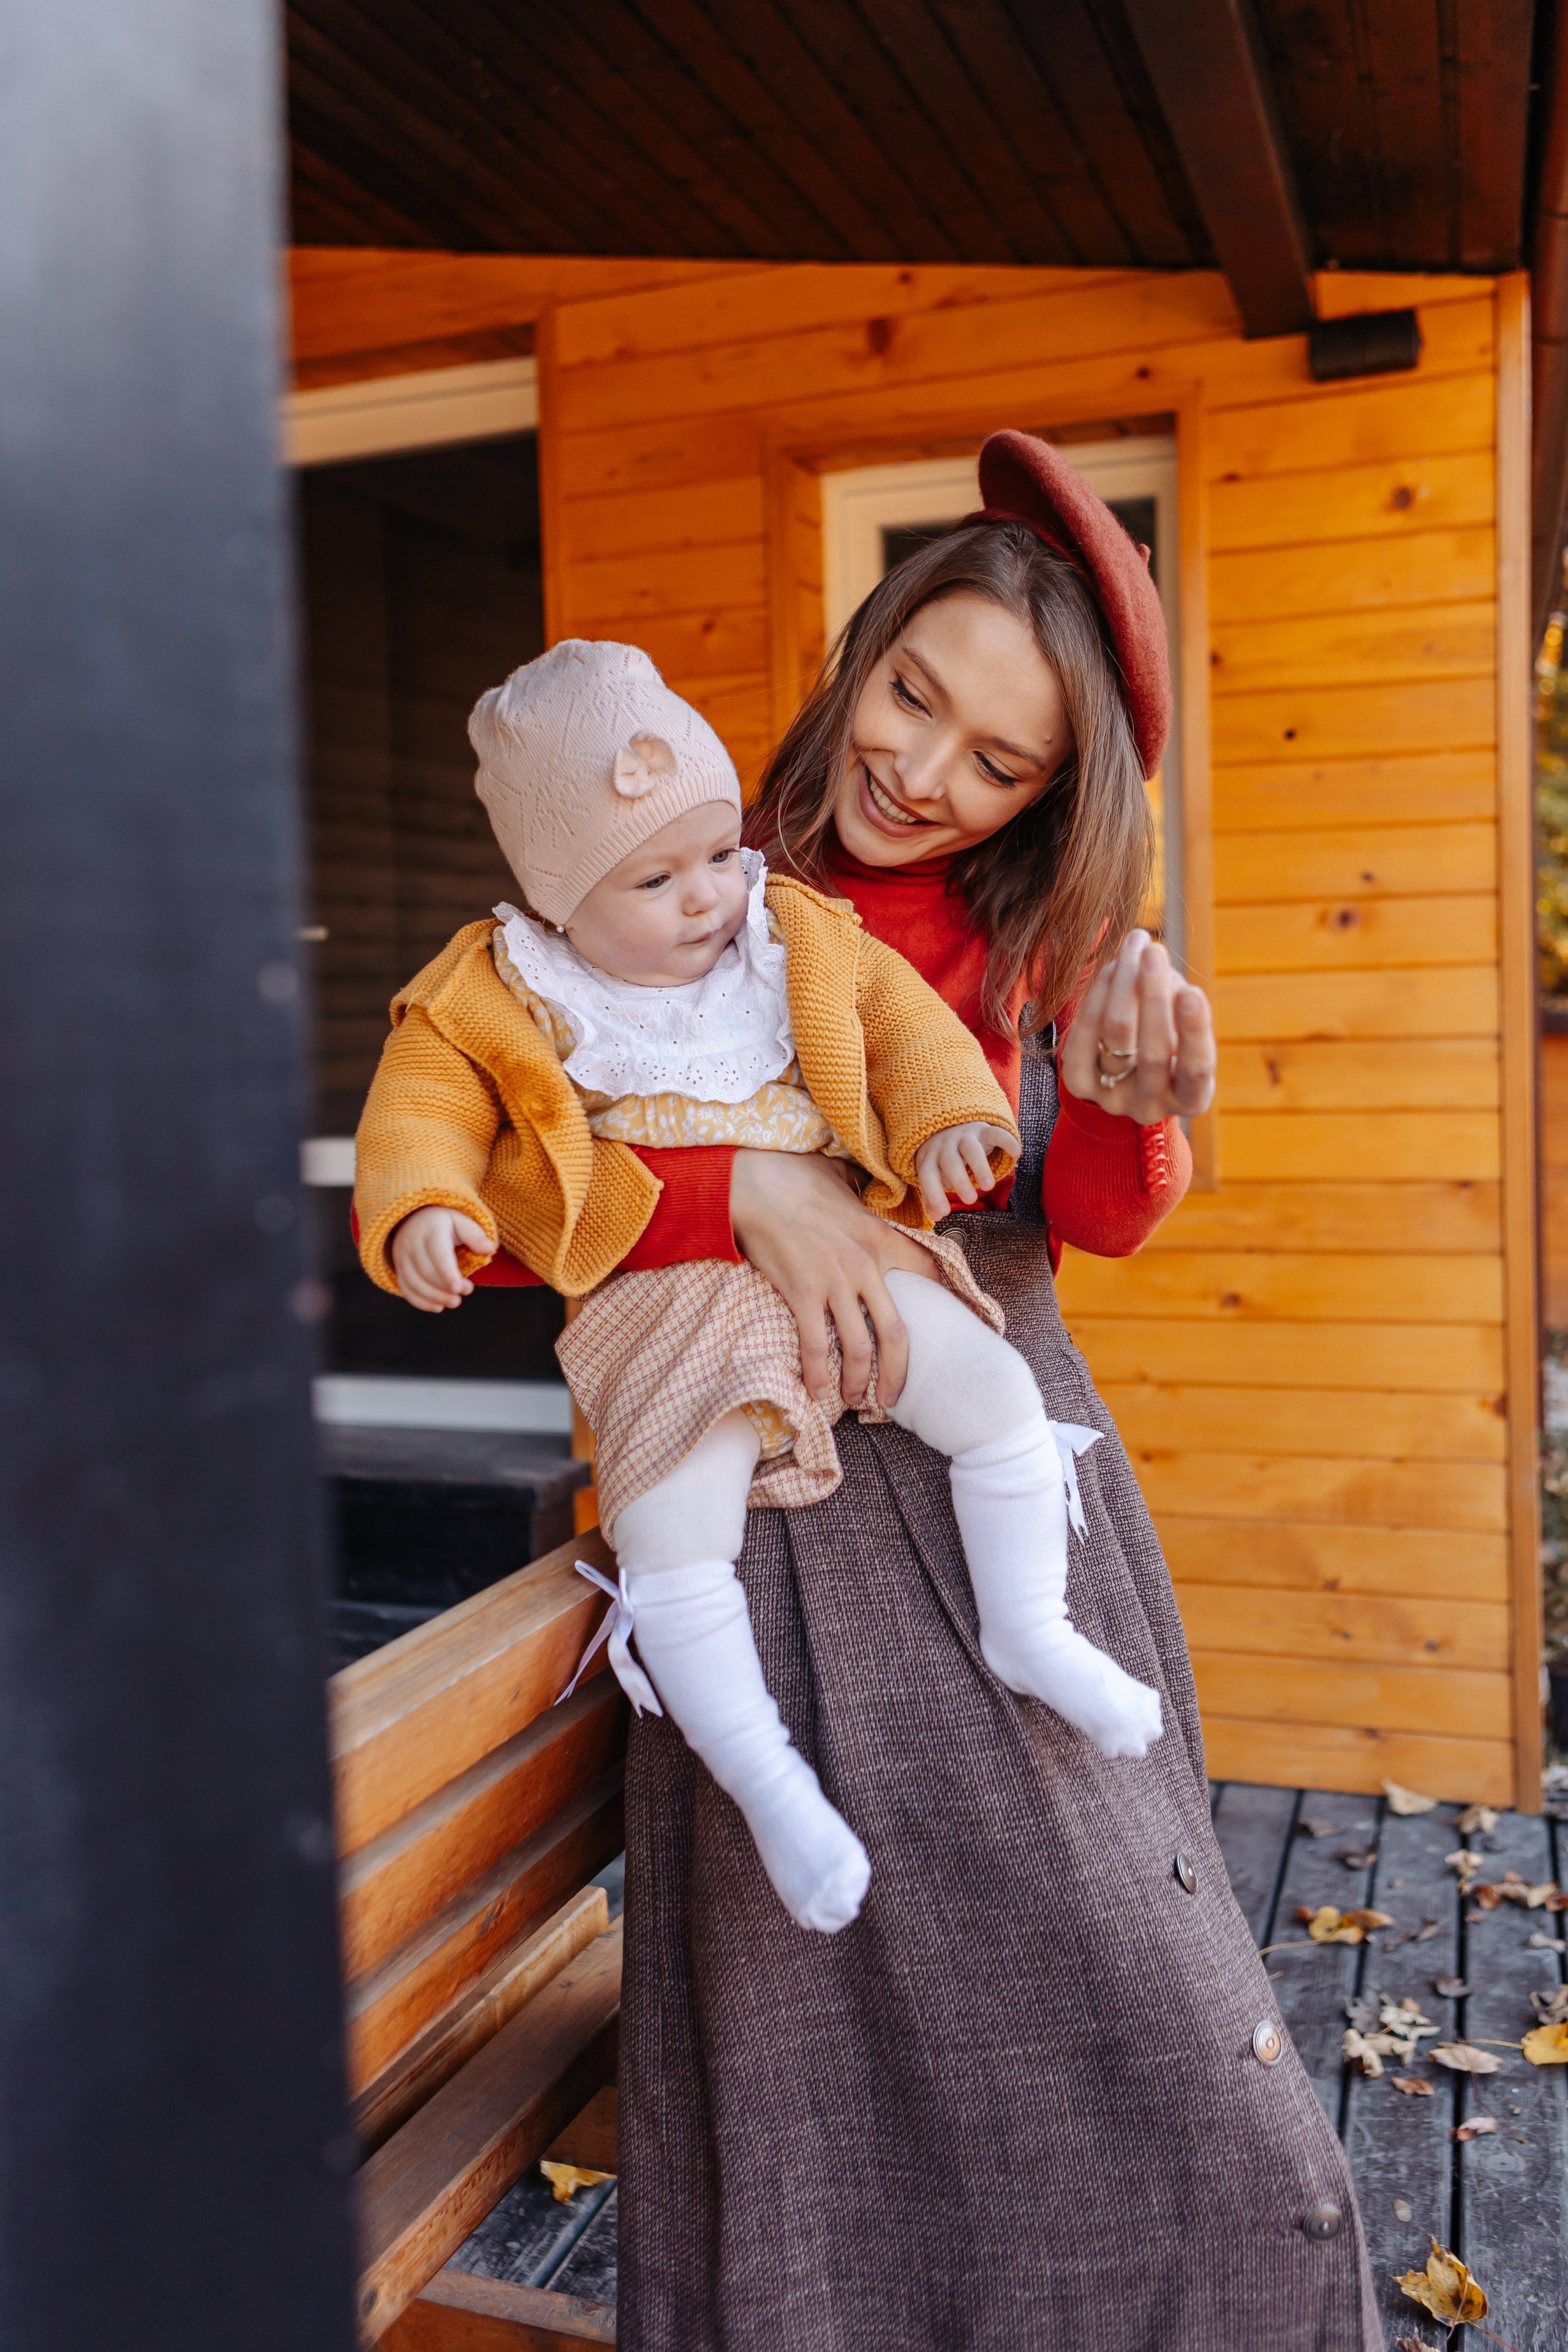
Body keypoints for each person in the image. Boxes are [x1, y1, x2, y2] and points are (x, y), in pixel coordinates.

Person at [587, 431, 1381, 2351]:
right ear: (864, 651)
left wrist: (1136, 1112)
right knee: (826, 2047)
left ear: (1053, 793)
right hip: (784, 1543)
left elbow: (1086, 1225)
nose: (921, 770)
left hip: (1002, 1512)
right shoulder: (695, 888)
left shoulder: (1039, 943)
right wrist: (758, 1186)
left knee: (1155, 1995)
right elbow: (547, 1178)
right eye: (909, 692)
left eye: (994, 760)